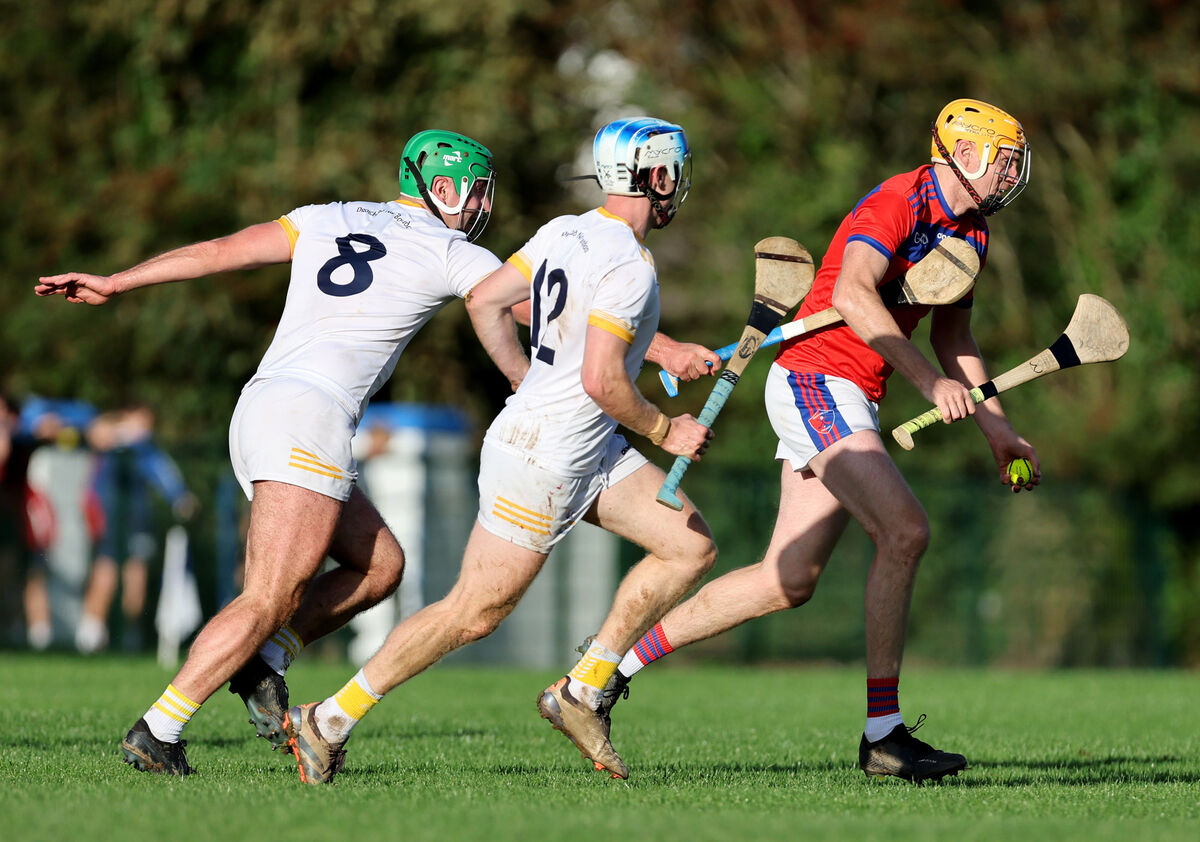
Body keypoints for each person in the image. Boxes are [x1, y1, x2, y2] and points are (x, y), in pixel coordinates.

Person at [589, 99, 1040, 784]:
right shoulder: (898, 201)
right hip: (815, 382)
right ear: (968, 153)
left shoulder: (973, 232)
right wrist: (926, 382)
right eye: (1005, 161)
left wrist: (996, 426)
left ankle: (604, 675)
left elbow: (954, 336)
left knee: (786, 580)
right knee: (906, 532)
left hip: (850, 394)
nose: (1011, 175)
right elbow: (855, 295)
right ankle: (884, 736)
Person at [35, 130, 505, 776]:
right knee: (266, 600)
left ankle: (266, 658)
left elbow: (220, 252)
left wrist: (118, 282)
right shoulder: (450, 250)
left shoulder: (327, 216)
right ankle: (159, 729)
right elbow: (524, 303)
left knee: (380, 566)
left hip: (261, 405)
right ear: (442, 187)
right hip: (311, 419)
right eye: (477, 191)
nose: (483, 206)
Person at [282, 116, 720, 784]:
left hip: (586, 449)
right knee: (472, 612)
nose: (677, 186)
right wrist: (665, 430)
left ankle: (583, 689)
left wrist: (525, 376)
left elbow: (488, 300)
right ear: (656, 175)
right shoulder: (630, 266)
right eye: (675, 173)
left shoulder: (566, 230)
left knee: (689, 546)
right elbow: (602, 381)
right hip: (544, 459)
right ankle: (329, 719)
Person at [76, 405, 197, 654]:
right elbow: (96, 432)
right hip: (109, 518)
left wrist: (180, 497)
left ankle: (129, 633)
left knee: (135, 574)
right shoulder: (109, 437)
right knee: (105, 570)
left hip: (136, 521)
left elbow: (164, 474)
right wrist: (122, 431)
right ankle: (90, 633)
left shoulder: (146, 451)